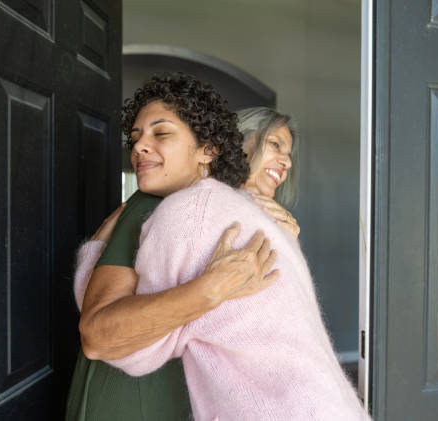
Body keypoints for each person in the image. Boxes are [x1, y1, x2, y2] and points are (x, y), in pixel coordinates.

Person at [73, 73, 370, 420]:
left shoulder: (185, 212)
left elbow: (115, 340)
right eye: (136, 137)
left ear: (209, 148)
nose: (138, 146)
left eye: (162, 132)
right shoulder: (255, 218)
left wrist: (95, 248)